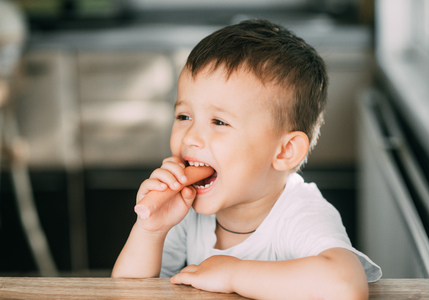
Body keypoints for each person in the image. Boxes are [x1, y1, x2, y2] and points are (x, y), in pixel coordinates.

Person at [112, 19, 381, 299]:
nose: (190, 137)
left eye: (218, 121)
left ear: (284, 151)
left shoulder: (300, 213)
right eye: (184, 116)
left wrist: (233, 274)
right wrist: (151, 231)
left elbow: (346, 286)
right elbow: (126, 292)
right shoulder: (184, 213)